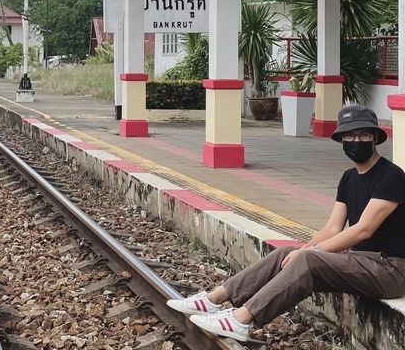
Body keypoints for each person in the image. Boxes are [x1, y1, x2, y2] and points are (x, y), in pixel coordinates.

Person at [167, 105, 405, 342]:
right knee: (287, 253)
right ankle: (213, 299)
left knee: (308, 258)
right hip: (361, 263)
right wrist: (301, 251)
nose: (356, 140)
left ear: (374, 137)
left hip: (389, 269)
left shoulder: (390, 176)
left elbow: (364, 229)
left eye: (363, 134)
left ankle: (241, 320)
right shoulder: (349, 178)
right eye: (350, 135)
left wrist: (311, 252)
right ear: (342, 139)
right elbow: (332, 228)